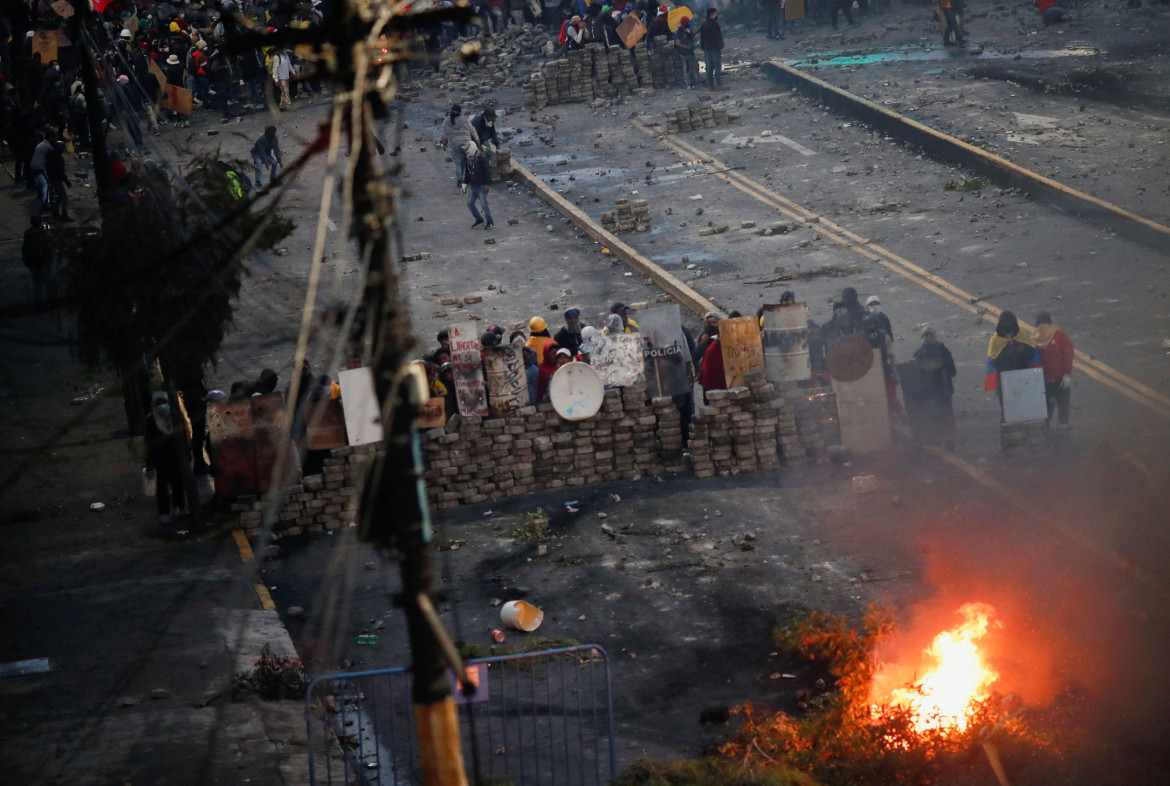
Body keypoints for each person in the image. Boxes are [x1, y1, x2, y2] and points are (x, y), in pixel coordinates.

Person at [143, 391, 192, 527]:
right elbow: (147, 442)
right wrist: (149, 463)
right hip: (159, 459)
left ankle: (179, 507)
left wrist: (188, 453)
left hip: (176, 456)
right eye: (159, 403)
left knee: (178, 483)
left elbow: (185, 434)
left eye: (164, 402)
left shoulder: (175, 416)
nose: (162, 406)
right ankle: (164, 512)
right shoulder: (151, 419)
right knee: (162, 487)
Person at [905, 326, 957, 448]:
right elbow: (953, 371)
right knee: (945, 416)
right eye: (926, 335)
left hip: (932, 394)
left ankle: (939, 440)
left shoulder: (919, 354)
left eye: (929, 335)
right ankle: (948, 440)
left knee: (934, 416)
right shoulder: (943, 350)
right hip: (943, 392)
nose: (928, 337)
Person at [985, 310, 1042, 416]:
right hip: (1005, 383)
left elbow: (1034, 357)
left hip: (1025, 380)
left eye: (1010, 323)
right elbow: (992, 364)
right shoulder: (995, 341)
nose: (1008, 326)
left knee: (1026, 408)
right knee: (1008, 412)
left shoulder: (1024, 337)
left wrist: (1036, 377)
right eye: (1005, 323)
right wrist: (996, 385)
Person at [1033, 312, 1074, 428]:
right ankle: (1059, 427)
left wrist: (1067, 372)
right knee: (1059, 406)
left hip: (1050, 380)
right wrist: (1067, 373)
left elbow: (1067, 354)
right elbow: (1068, 354)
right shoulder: (1059, 335)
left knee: (1052, 407)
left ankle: (1050, 429)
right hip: (1056, 379)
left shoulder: (1036, 337)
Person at [441, 104, 479, 190]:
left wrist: (444, 144)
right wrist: (477, 140)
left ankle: (459, 181)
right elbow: (472, 129)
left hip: (455, 145)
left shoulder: (446, 121)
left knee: (458, 163)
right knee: (470, 161)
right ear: (460, 111)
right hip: (467, 143)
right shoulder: (464, 119)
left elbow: (443, 135)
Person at [22, 216, 53, 304]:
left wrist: (27, 262)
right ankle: (49, 302)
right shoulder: (44, 233)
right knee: (47, 281)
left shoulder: (27, 233)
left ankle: (39, 302)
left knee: (37, 284)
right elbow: (51, 239)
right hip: (43, 261)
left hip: (33, 261)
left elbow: (25, 248)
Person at [463, 141, 494, 229]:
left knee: (484, 205)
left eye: (467, 149)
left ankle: (490, 222)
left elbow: (487, 172)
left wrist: (487, 184)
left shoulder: (482, 158)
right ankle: (478, 218)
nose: (466, 151)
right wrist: (464, 183)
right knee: (470, 203)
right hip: (473, 185)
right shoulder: (468, 158)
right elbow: (467, 172)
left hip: (481, 186)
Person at [699, 7, 724, 90]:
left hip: (706, 49)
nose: (716, 15)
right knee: (717, 66)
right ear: (712, 14)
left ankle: (711, 85)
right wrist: (721, 47)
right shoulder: (713, 24)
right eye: (715, 13)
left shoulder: (703, 24)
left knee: (709, 67)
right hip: (714, 48)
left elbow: (702, 38)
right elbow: (716, 37)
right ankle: (719, 85)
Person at [674, 16, 699, 89]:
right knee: (687, 68)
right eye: (686, 22)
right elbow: (677, 43)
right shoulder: (680, 31)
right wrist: (686, 46)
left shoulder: (687, 29)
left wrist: (697, 30)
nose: (688, 23)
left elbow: (692, 34)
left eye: (688, 21)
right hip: (684, 53)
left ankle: (695, 81)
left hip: (690, 52)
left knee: (693, 67)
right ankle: (688, 83)